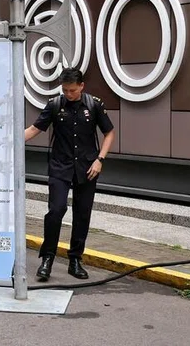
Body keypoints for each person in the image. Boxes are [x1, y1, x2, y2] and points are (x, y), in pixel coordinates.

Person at [24, 68, 116, 281]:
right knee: (56, 210)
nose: (68, 94)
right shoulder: (55, 105)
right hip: (60, 166)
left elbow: (109, 132)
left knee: (82, 214)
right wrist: (8, 141)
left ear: (81, 86)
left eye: (72, 90)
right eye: (65, 90)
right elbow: (34, 129)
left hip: (88, 168)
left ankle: (75, 259)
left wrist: (100, 160)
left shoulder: (94, 105)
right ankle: (47, 259)